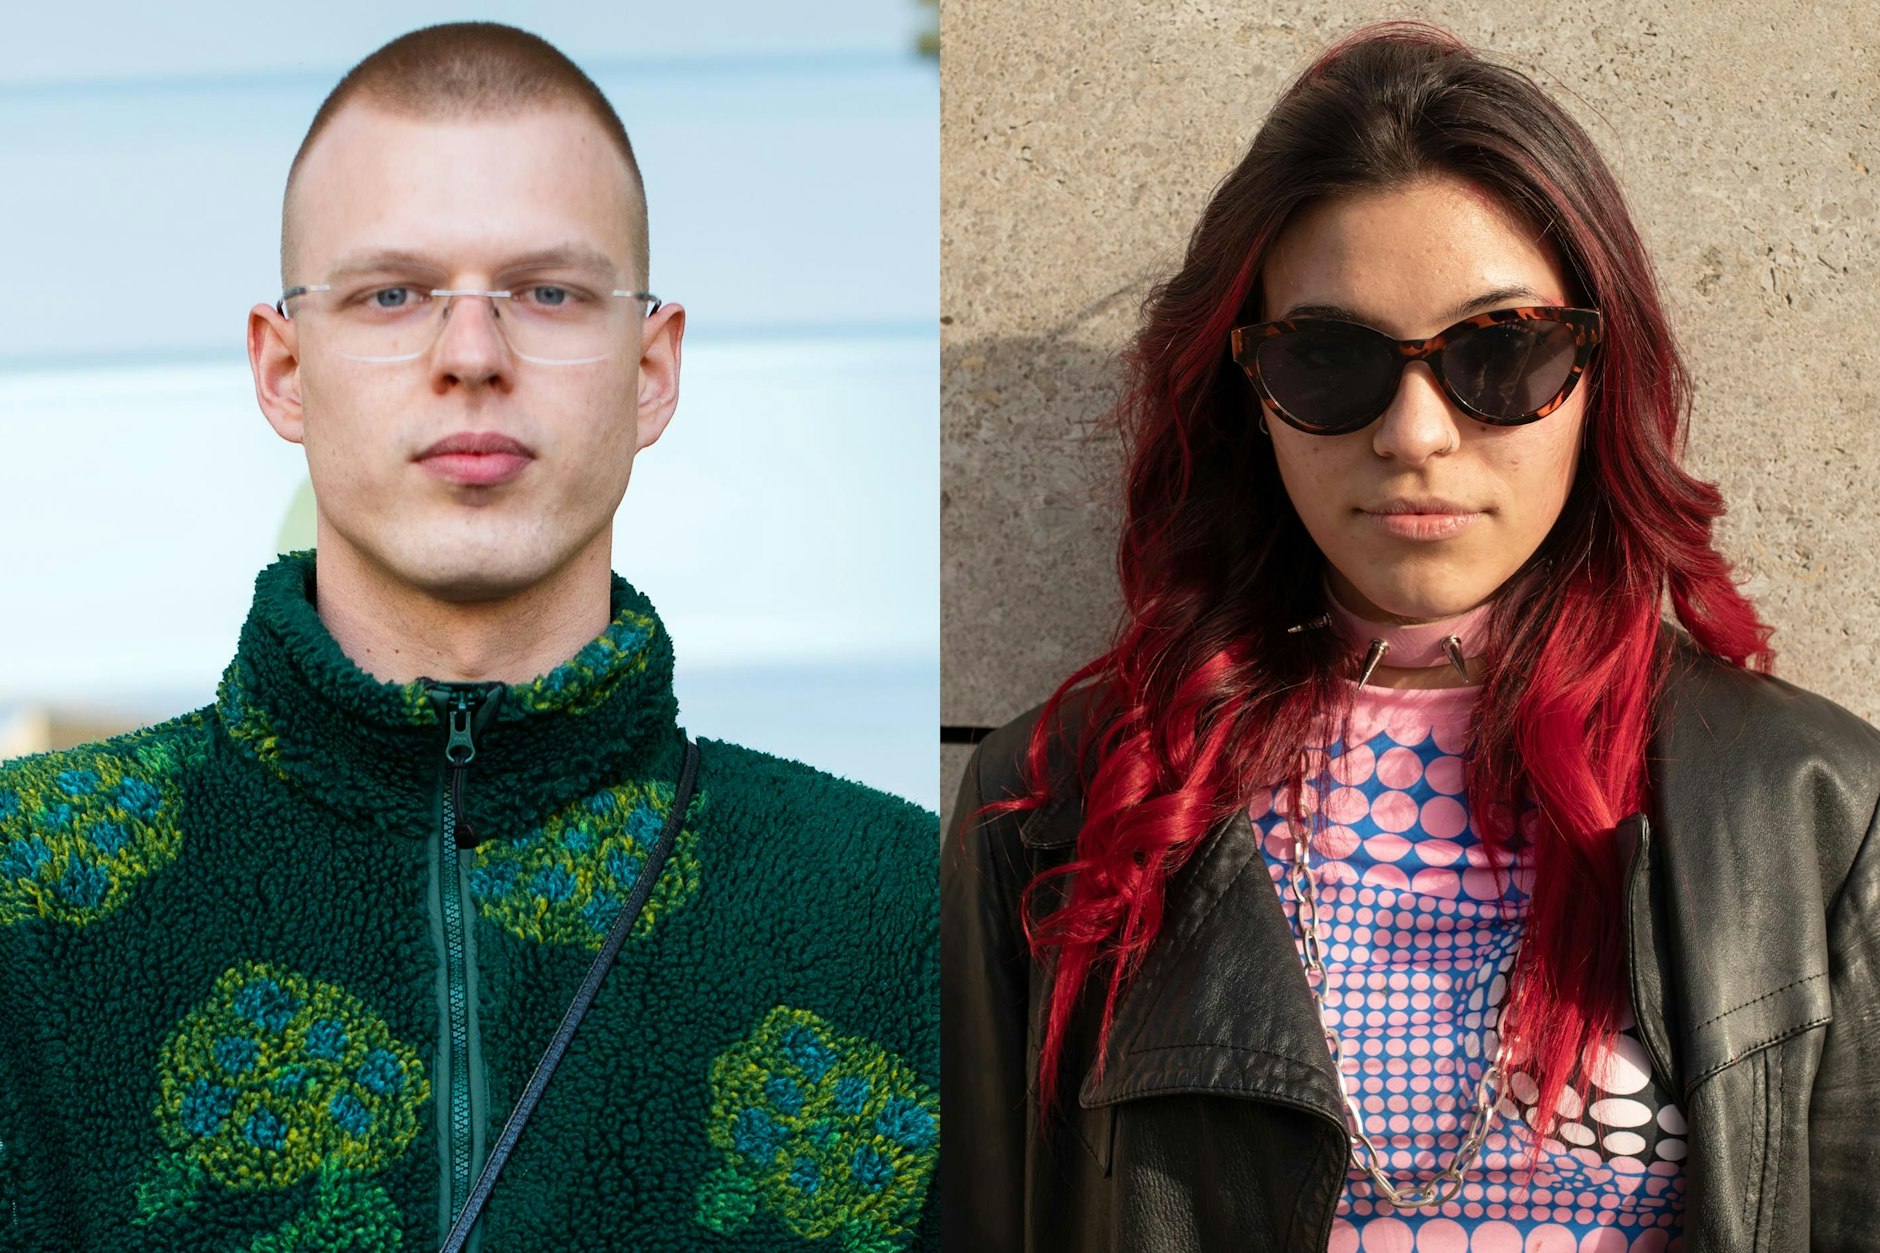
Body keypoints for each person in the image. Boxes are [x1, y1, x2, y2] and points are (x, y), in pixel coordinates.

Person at [0, 23, 937, 1253]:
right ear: (284, 368)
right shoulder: (27, 886)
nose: (472, 355)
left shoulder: (896, 907)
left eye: (547, 291)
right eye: (392, 293)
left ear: (650, 369)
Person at [942, 21, 1877, 1253]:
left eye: (1501, 352)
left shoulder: (1811, 810)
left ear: (1599, 372)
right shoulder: (1063, 803)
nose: (1415, 432)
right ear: (1247, 392)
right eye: (1328, 360)